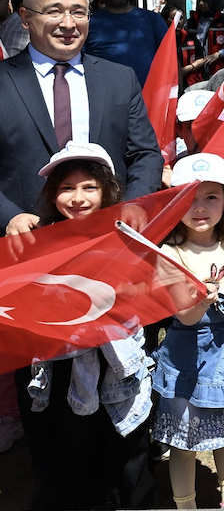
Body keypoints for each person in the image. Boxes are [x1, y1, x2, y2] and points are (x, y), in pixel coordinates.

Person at [15, 143, 155, 509]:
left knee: (129, 448)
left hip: (119, 365)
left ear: (108, 189)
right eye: (66, 188)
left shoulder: (128, 233)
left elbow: (150, 286)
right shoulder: (38, 239)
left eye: (89, 187)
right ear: (52, 194)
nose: (77, 198)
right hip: (64, 365)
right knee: (75, 448)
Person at [0, 0, 162, 235]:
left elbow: (144, 154)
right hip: (24, 245)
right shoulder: (4, 81)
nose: (68, 23)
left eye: (78, 13)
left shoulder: (120, 79)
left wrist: (134, 204)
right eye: (54, 12)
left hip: (107, 239)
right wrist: (9, 216)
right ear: (25, 17)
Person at [151, 153, 224, 510]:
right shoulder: (170, 253)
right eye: (189, 198)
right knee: (183, 440)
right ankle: (186, 504)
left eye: (211, 197)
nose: (200, 208)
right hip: (190, 356)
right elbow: (184, 317)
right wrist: (203, 299)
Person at [84, 0, 171, 85]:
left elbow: (170, 57)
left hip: (148, 96)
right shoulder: (88, 24)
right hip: (106, 96)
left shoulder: (152, 20)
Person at [180, 0, 224, 86]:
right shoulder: (191, 22)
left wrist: (217, 55)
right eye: (199, 0)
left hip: (218, 71)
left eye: (205, 1)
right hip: (194, 73)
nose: (201, 4)